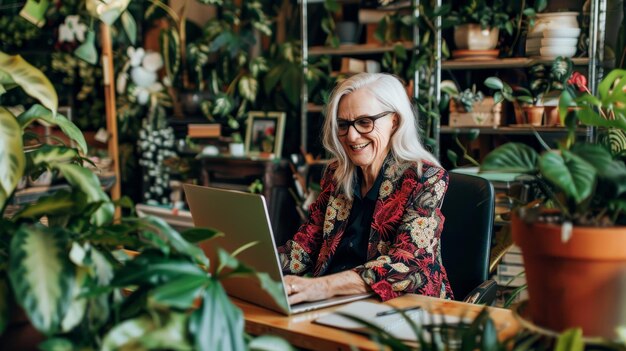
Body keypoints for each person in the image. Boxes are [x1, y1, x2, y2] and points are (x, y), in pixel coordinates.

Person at [278, 73, 453, 305]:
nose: (351, 136)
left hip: (406, 309)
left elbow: (410, 264)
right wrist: (250, 266)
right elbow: (305, 247)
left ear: (395, 121)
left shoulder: (425, 179)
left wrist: (322, 287)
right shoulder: (336, 175)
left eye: (364, 122)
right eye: (343, 124)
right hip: (336, 303)